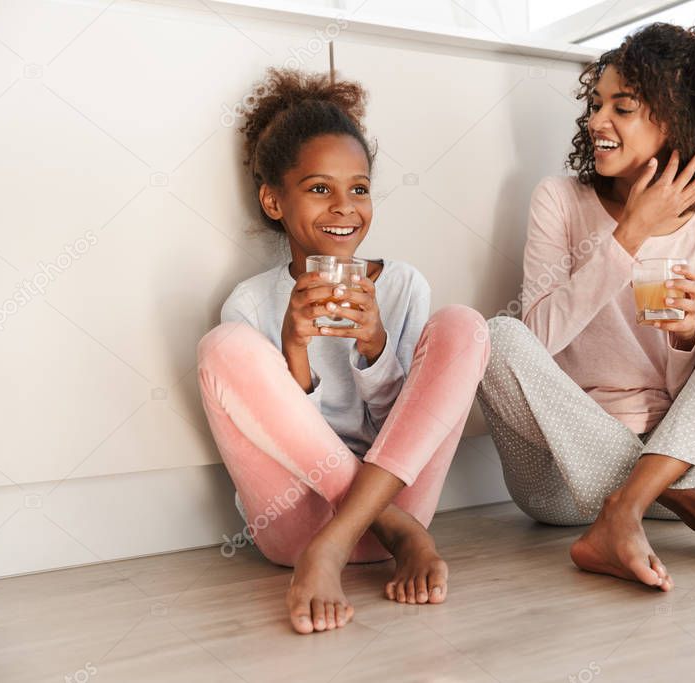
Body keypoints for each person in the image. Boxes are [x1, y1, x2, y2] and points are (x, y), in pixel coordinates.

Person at [477, 23, 695, 590]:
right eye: (596, 104)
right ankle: (688, 512)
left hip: (690, 462)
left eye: (621, 108)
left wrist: (686, 337)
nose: (597, 121)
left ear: (676, 120)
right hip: (563, 482)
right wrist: (627, 237)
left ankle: (630, 508)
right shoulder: (560, 200)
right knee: (494, 335)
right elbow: (537, 340)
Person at [196, 68, 489, 633]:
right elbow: (281, 443)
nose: (343, 207)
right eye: (318, 188)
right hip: (298, 527)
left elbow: (403, 429)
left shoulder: (402, 287)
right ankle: (368, 535)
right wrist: (294, 355)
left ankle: (341, 542)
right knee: (223, 346)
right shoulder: (252, 303)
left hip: (398, 500)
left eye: (358, 188)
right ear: (273, 201)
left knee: (465, 325)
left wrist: (375, 348)